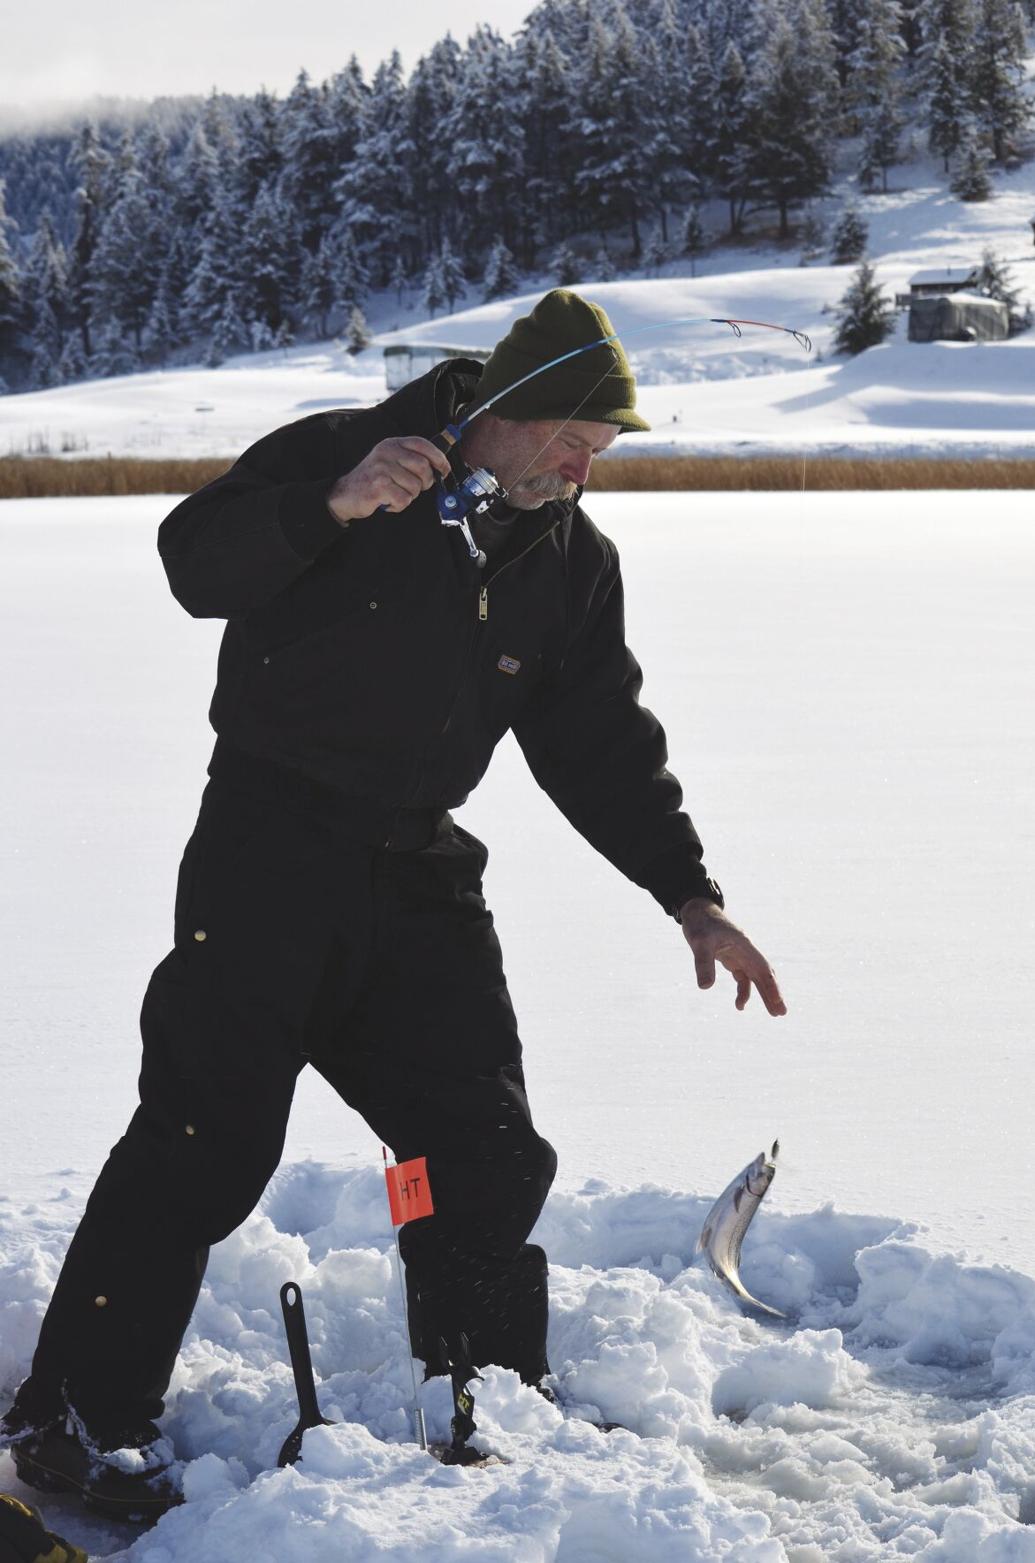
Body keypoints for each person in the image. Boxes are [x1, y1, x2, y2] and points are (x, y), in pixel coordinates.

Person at [1, 289, 785, 1520]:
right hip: (265, 852)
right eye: (575, 441)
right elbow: (192, 564)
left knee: (479, 1144)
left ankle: (485, 1398)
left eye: (602, 452)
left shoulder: (570, 561)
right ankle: (74, 1420)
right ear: (511, 409)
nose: (585, 471)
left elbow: (601, 746)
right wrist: (327, 508)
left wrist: (689, 894)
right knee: (203, 1137)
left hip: (419, 873)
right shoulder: (342, 453)